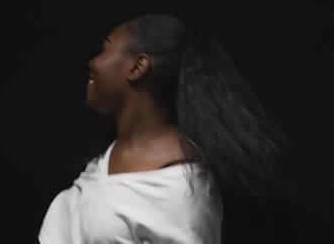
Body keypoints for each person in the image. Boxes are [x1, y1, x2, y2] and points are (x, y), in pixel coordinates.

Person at [38, 13, 293, 244]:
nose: (93, 62)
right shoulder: (108, 159)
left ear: (137, 67)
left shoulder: (178, 186)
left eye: (104, 49)